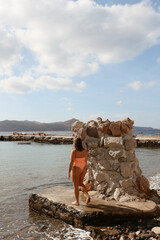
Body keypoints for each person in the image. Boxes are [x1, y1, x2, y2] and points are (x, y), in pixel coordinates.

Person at [68, 138, 90, 206]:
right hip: (83, 168)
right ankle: (87, 196)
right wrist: (85, 169)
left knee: (76, 186)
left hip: (76, 167)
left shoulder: (74, 151)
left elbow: (71, 162)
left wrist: (69, 171)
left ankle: (77, 202)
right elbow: (85, 162)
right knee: (80, 183)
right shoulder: (85, 151)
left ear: (75, 143)